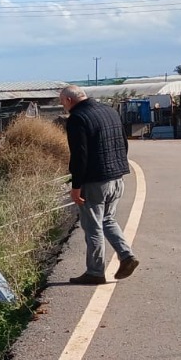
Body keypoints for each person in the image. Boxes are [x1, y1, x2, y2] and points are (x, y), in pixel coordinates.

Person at [58, 85, 138, 285]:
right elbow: (124, 144)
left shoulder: (77, 118)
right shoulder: (109, 111)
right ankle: (126, 256)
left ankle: (95, 272)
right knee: (108, 220)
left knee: (92, 226)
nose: (63, 107)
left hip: (94, 181)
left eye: (62, 103)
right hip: (116, 178)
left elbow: (80, 155)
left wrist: (76, 186)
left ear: (68, 100)